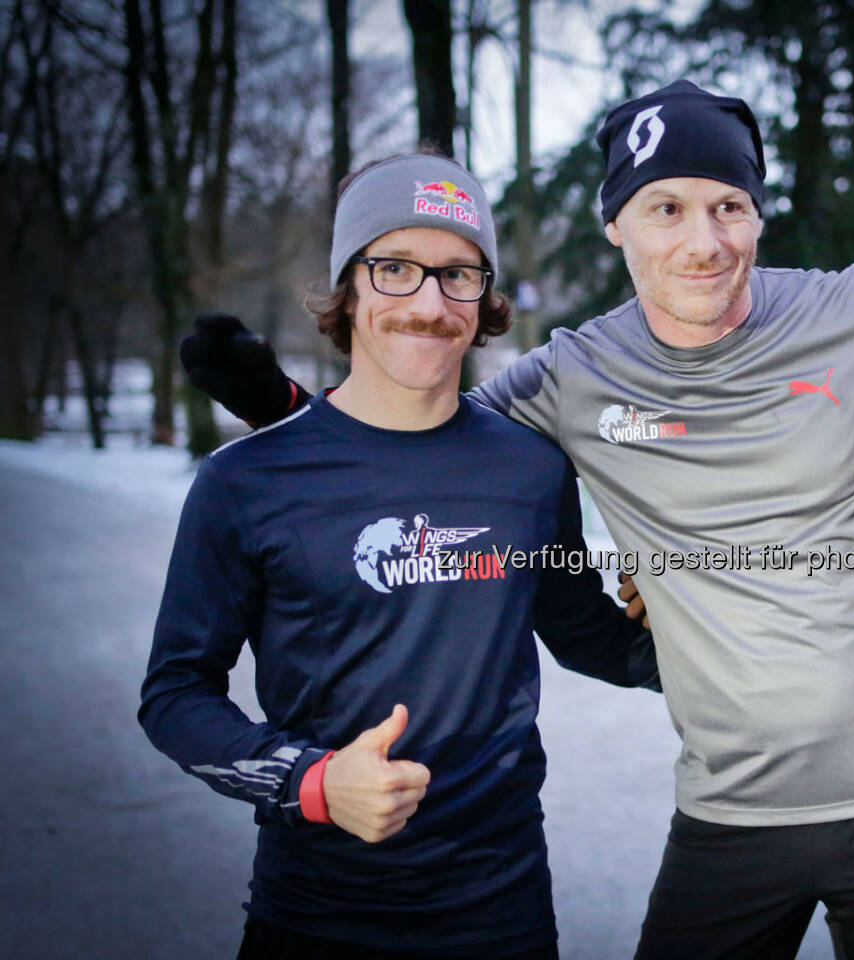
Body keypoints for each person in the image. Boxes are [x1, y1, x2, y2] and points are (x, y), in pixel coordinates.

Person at [182, 81, 854, 959]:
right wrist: (286, 410)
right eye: (666, 207)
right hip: (728, 810)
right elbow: (422, 432)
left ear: (758, 213)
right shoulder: (573, 376)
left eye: (728, 205)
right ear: (618, 225)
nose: (703, 239)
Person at [140, 152, 658, 960]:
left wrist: (696, 630)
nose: (428, 302)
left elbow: (584, 631)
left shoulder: (529, 467)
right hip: (314, 913)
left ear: (485, 299)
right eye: (395, 268)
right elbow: (175, 694)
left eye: (458, 275)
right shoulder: (247, 479)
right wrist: (309, 782)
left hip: (503, 909)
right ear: (348, 287)